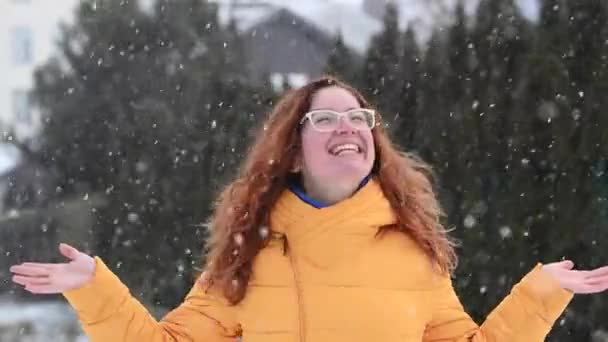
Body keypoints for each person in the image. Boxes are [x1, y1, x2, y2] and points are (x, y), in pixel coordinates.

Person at [9, 76, 608, 342]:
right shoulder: (248, 255)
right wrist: (95, 288)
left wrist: (540, 294)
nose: (347, 127)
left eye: (358, 117)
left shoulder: (415, 254)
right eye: (324, 117)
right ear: (293, 152)